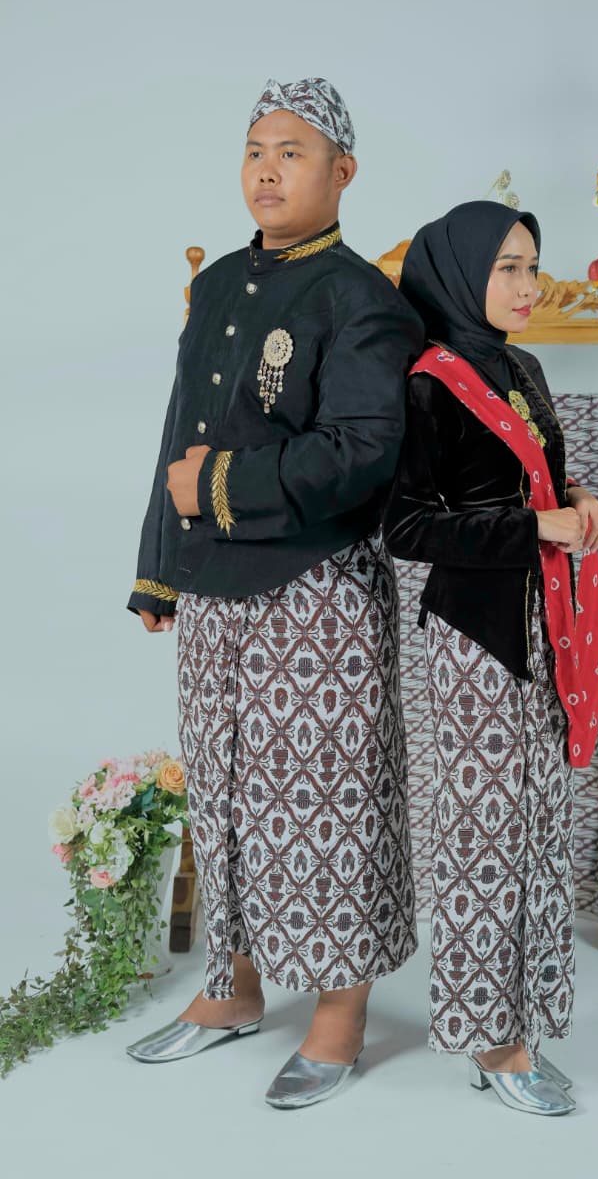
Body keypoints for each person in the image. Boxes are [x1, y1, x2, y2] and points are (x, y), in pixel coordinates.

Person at [125, 77, 423, 1110]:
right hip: (216, 587)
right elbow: (179, 430)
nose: (266, 169)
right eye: (255, 149)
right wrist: (158, 569)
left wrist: (216, 485)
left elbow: (361, 453)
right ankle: (233, 986)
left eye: (291, 152)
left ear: (343, 171)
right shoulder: (217, 286)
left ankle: (340, 1011)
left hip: (319, 589)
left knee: (326, 802)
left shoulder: (362, 300)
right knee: (224, 794)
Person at [384, 201, 598, 1117]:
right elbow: (407, 528)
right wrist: (533, 527)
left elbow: (538, 482)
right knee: (484, 840)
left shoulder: (522, 367)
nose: (529, 285)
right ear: (457, 273)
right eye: (507, 267)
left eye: (532, 266)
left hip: (547, 626)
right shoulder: (428, 383)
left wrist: (576, 500)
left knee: (534, 831)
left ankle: (525, 1021)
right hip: (479, 640)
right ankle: (491, 1039)